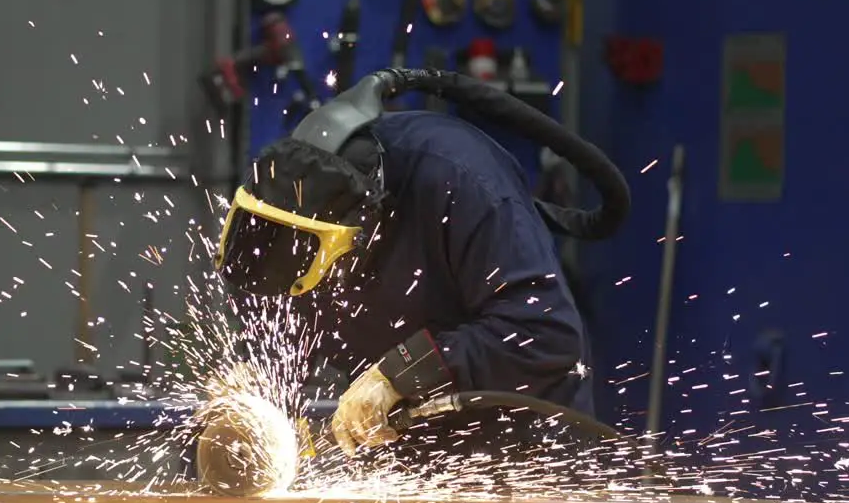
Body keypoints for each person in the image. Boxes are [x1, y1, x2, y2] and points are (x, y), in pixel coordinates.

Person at [214, 106, 597, 457]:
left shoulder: (462, 180)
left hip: (526, 454)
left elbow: (545, 333)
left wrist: (403, 374)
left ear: (362, 235)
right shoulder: (290, 214)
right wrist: (258, 372)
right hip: (408, 466)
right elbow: (286, 315)